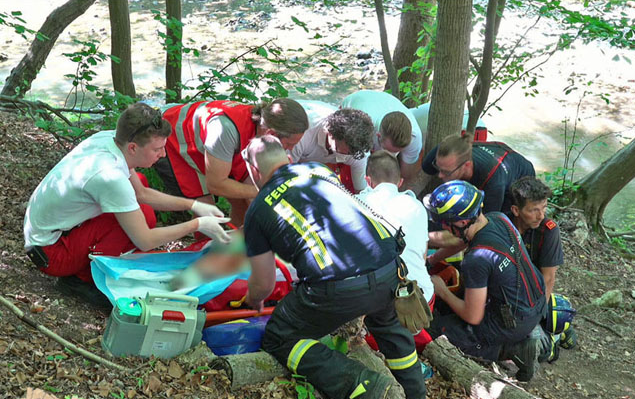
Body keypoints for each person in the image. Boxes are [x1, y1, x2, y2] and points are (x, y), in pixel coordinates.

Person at [242, 135, 426, 399]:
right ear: (289, 159)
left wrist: (253, 301)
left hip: (337, 288)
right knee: (389, 326)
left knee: (280, 337)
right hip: (389, 268)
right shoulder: (320, 171)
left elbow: (264, 284)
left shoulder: (259, 208)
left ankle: (357, 383)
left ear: (255, 171)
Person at [24, 103, 231, 306]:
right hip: (51, 252)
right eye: (157, 149)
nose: (164, 155)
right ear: (133, 147)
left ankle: (91, 264)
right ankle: (80, 279)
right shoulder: (110, 176)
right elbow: (145, 240)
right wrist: (198, 224)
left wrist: (194, 205)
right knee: (140, 220)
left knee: (139, 185)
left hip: (52, 231)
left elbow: (141, 193)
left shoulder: (110, 140)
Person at [424, 180, 548, 381]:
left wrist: (442, 291)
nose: (443, 226)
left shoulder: (477, 259)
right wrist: (432, 260)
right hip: (536, 299)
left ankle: (513, 349)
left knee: (435, 330)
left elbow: (472, 316)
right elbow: (462, 240)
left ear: (462, 222)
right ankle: (528, 332)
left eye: (445, 222)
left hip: (513, 321)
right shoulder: (497, 219)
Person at [155, 98, 309, 225]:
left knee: (243, 204)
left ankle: (239, 246)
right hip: (173, 141)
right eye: (288, 144)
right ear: (271, 133)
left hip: (208, 147)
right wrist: (264, 191)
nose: (287, 150)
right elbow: (216, 184)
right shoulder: (225, 130)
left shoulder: (259, 130)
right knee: (207, 213)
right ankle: (204, 253)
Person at [356, 151, 434, 353]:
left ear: (368, 181)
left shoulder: (355, 204)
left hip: (377, 312)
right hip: (421, 301)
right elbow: (423, 257)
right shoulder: (416, 206)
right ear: (400, 182)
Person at [422, 134, 536, 214]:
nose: (440, 175)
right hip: (496, 151)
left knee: (501, 220)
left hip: (520, 175)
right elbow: (427, 167)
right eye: (438, 167)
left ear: (466, 165)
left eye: (446, 172)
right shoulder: (449, 151)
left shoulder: (494, 182)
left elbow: (487, 224)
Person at [341, 90, 422, 182]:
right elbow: (359, 171)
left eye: (396, 151)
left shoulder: (415, 137)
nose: (390, 155)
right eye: (387, 150)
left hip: (383, 102)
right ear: (378, 135)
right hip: (355, 103)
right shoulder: (362, 128)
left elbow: (406, 175)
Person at [289, 108, 374, 193]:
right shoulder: (302, 135)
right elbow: (284, 173)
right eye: (340, 150)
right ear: (330, 133)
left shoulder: (359, 151)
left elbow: (360, 191)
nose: (346, 155)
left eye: (350, 153)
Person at [508, 176, 563, 300]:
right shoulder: (503, 225)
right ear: (516, 210)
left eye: (544, 208)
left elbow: (548, 278)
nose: (541, 216)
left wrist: (539, 312)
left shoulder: (548, 231)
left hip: (531, 291)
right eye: (534, 210)